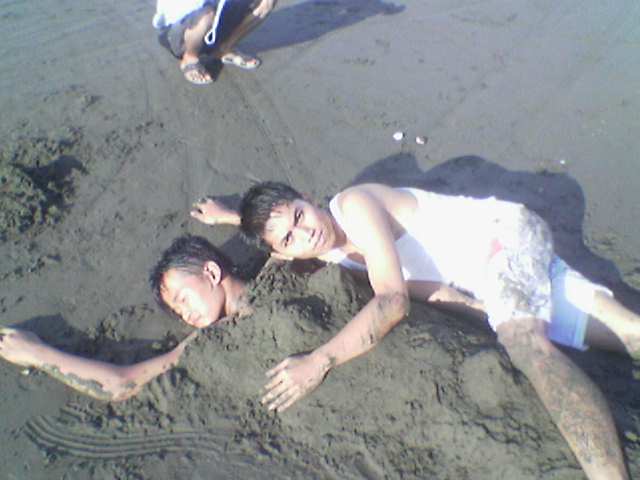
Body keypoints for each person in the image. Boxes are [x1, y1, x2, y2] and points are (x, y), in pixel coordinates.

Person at [190, 182, 639, 480]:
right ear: (284, 254)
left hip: (503, 240)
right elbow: (273, 229)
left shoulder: (354, 206)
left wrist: (319, 360)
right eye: (290, 238)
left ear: (309, 198)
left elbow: (393, 301)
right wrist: (229, 215)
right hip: (490, 280)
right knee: (628, 334)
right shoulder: (326, 252)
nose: (306, 232)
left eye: (300, 215)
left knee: (527, 346)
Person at [0, 236, 250, 402]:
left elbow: (121, 383)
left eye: (183, 299)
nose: (186, 315)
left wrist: (37, 353)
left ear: (211, 272)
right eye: (178, 311)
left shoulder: (220, 332)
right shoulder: (223, 327)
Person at [152, 0, 277, 85]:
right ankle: (189, 57)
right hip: (178, 32)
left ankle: (224, 48)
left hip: (212, 21)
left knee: (267, 2)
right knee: (207, 15)